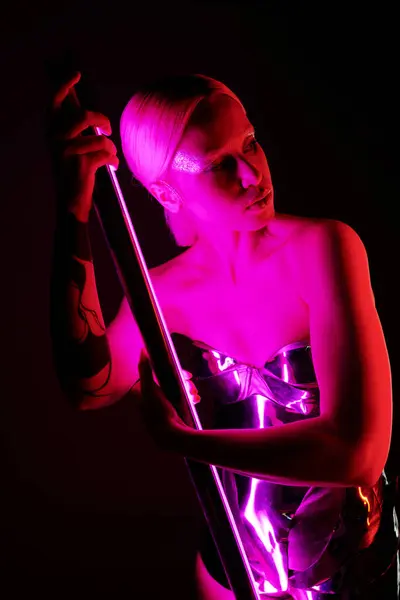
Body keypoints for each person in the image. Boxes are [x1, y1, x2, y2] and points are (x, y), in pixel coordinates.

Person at [49, 71, 399, 599]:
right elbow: (90, 384)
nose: (252, 172)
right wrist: (73, 208)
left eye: (251, 143)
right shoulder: (162, 293)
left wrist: (188, 442)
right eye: (218, 164)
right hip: (230, 570)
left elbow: (357, 453)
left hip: (348, 564)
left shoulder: (324, 248)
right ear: (166, 190)